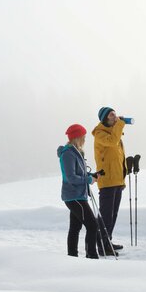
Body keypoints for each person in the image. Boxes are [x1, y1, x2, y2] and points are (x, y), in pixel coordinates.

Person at [58, 123, 102, 259]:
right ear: (77, 137)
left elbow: (78, 174)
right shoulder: (68, 154)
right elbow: (71, 177)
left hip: (78, 196)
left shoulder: (76, 153)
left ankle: (72, 256)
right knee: (92, 225)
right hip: (74, 196)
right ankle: (91, 256)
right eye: (83, 136)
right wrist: (89, 180)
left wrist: (92, 176)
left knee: (75, 227)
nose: (84, 139)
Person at [91, 106, 129, 251]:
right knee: (106, 215)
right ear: (105, 118)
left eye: (115, 114)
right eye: (112, 115)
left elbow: (118, 158)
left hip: (117, 180)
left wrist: (123, 176)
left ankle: (107, 241)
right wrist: (120, 124)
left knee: (113, 214)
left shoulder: (115, 133)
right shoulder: (100, 134)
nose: (115, 117)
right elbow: (112, 142)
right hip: (107, 181)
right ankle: (102, 245)